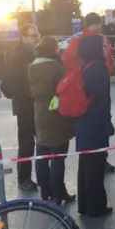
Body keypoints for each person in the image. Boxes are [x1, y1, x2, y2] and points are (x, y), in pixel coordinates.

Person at [62, 12, 115, 174]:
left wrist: (78, 75)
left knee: (86, 125)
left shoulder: (77, 40)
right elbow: (110, 61)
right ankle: (101, 158)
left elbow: (66, 60)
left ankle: (91, 161)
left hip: (82, 87)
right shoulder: (101, 39)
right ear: (99, 23)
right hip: (98, 80)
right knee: (101, 121)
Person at [28, 36, 76, 204]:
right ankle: (59, 192)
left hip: (40, 113)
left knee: (41, 154)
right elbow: (66, 87)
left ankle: (45, 191)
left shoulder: (33, 66)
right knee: (57, 156)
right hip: (56, 113)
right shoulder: (56, 67)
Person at [75, 34, 114, 218]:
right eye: (104, 46)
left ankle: (84, 204)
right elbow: (102, 100)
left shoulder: (84, 65)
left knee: (85, 164)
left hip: (83, 120)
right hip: (95, 122)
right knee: (95, 166)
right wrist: (106, 123)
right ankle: (97, 206)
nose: (108, 49)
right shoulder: (98, 68)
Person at [0, 23, 39, 192]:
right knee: (26, 143)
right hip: (25, 105)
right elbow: (10, 82)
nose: (36, 38)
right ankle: (23, 178)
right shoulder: (18, 55)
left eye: (37, 35)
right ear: (23, 37)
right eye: (33, 35)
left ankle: (37, 177)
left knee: (41, 141)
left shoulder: (33, 52)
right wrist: (26, 94)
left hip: (35, 104)